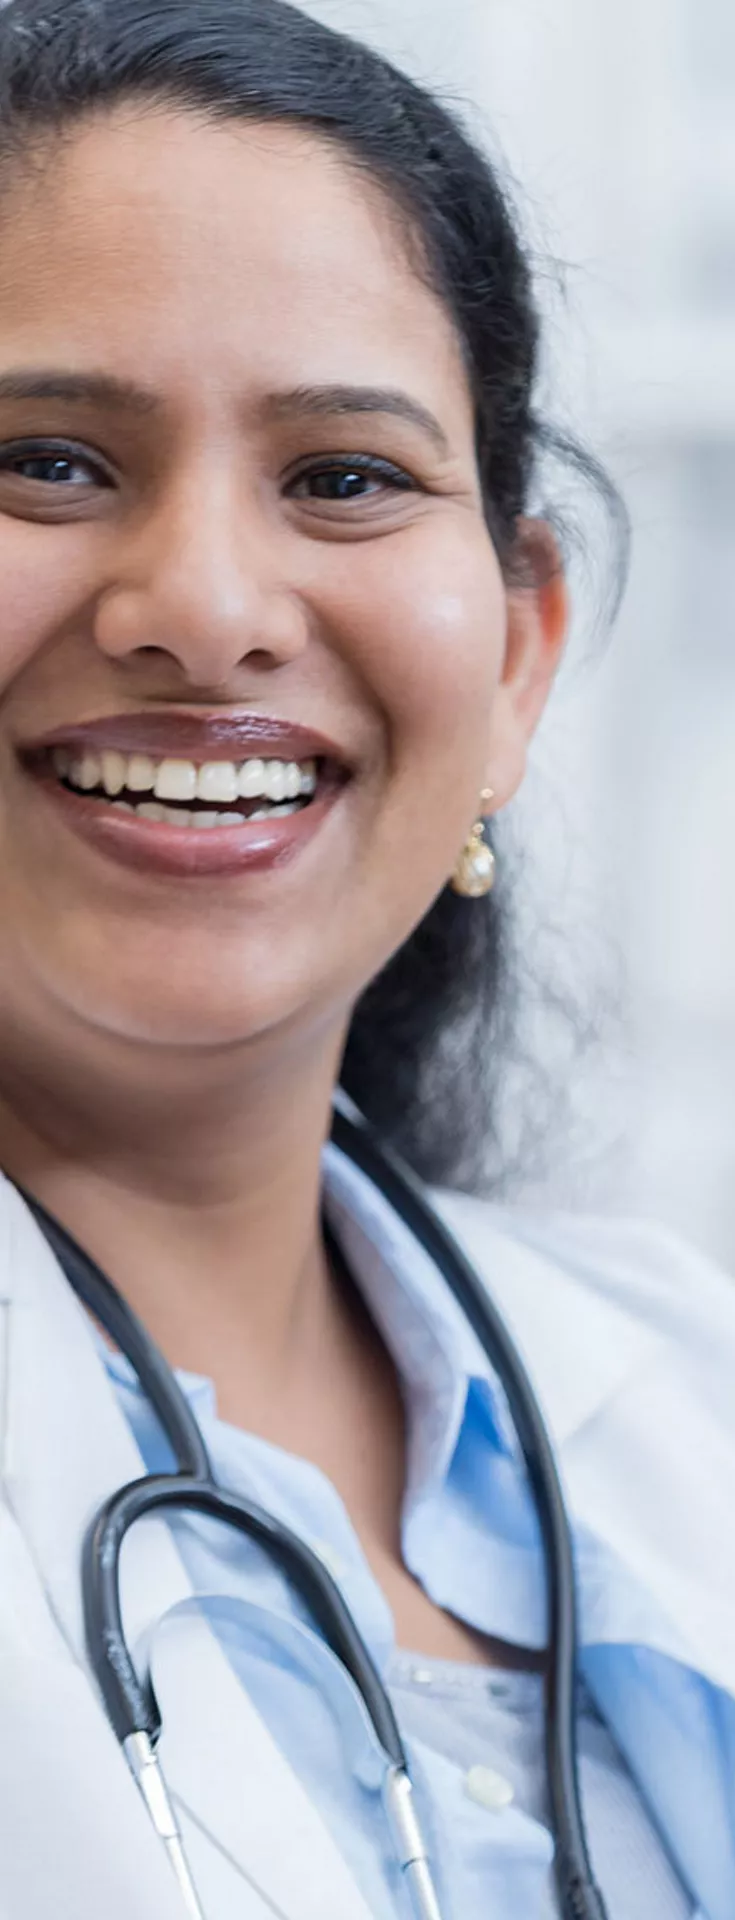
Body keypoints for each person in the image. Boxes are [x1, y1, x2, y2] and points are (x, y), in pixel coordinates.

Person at [0, 2, 732, 1917]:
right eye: (49, 460)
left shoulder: (691, 1391)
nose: (210, 613)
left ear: (513, 656)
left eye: (342, 477)